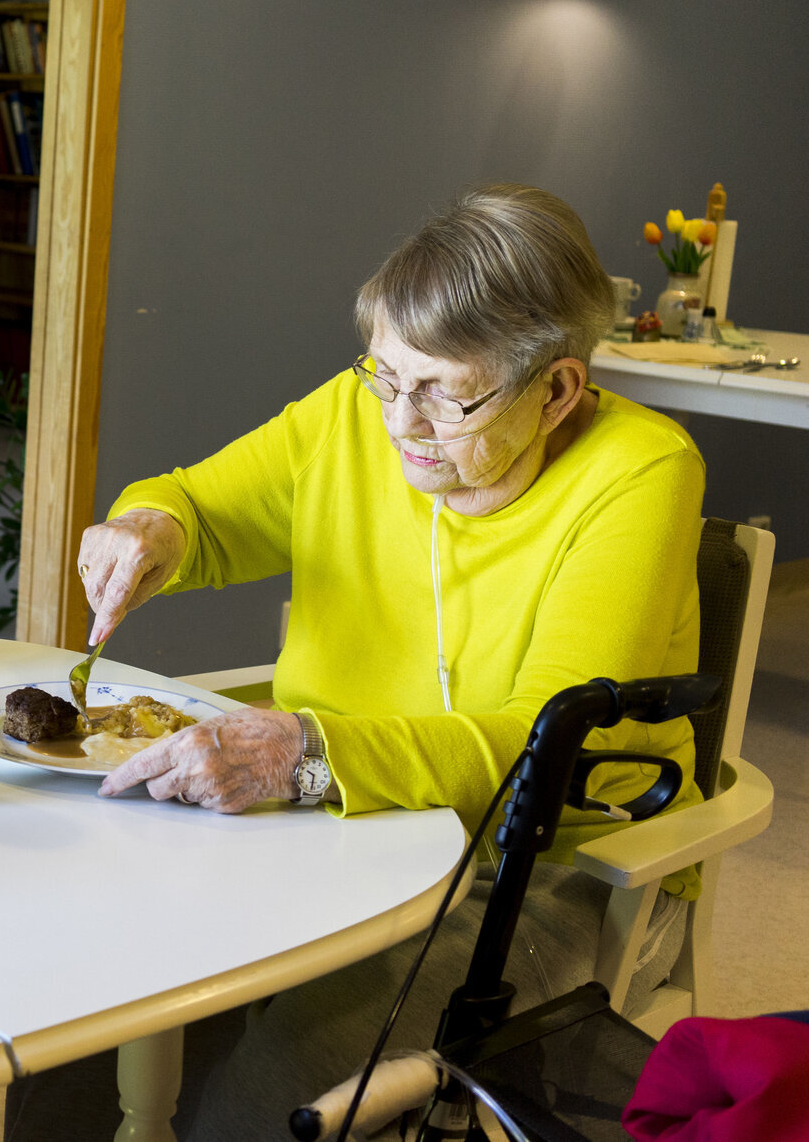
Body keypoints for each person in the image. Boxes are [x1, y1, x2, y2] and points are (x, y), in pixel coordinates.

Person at [75, 185, 705, 1137]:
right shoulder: (357, 414)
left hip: (541, 873)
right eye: (383, 375)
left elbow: (541, 742)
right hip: (326, 835)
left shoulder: (641, 474)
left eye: (444, 393)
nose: (399, 422)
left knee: (260, 1099)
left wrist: (309, 754)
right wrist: (146, 529)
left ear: (558, 390)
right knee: (83, 1023)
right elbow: (200, 506)